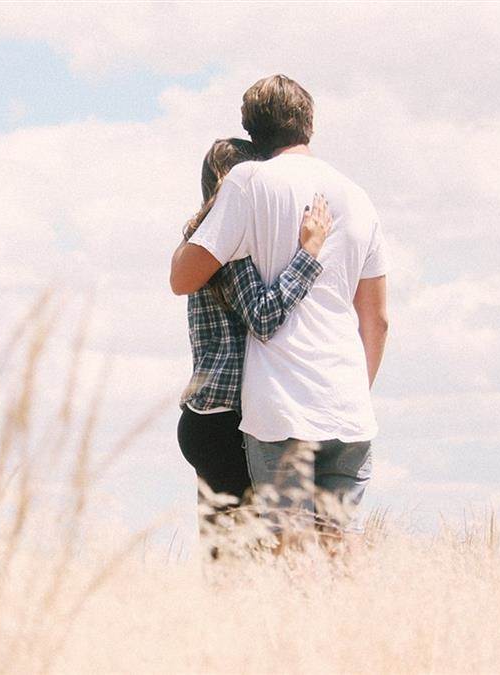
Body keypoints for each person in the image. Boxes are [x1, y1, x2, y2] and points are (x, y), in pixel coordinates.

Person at [169, 75, 390, 551]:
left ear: (253, 130)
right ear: (309, 122)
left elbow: (186, 280)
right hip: (347, 403)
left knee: (276, 554)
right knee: (341, 545)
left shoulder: (249, 186)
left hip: (278, 407)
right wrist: (353, 387)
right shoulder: (359, 196)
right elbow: (378, 320)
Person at [176, 137, 333, 559]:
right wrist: (308, 255)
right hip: (227, 421)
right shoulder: (230, 247)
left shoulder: (203, 241)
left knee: (227, 559)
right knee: (243, 563)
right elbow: (263, 317)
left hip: (206, 417)